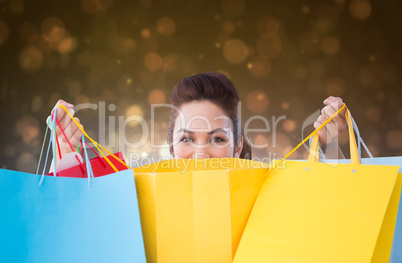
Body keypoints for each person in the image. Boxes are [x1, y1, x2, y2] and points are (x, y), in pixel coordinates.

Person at [51, 72, 346, 163]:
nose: (201, 154)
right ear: (170, 146)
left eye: (217, 138)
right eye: (187, 139)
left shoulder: (269, 193)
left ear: (238, 145)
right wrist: (66, 159)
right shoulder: (137, 202)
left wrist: (325, 147)